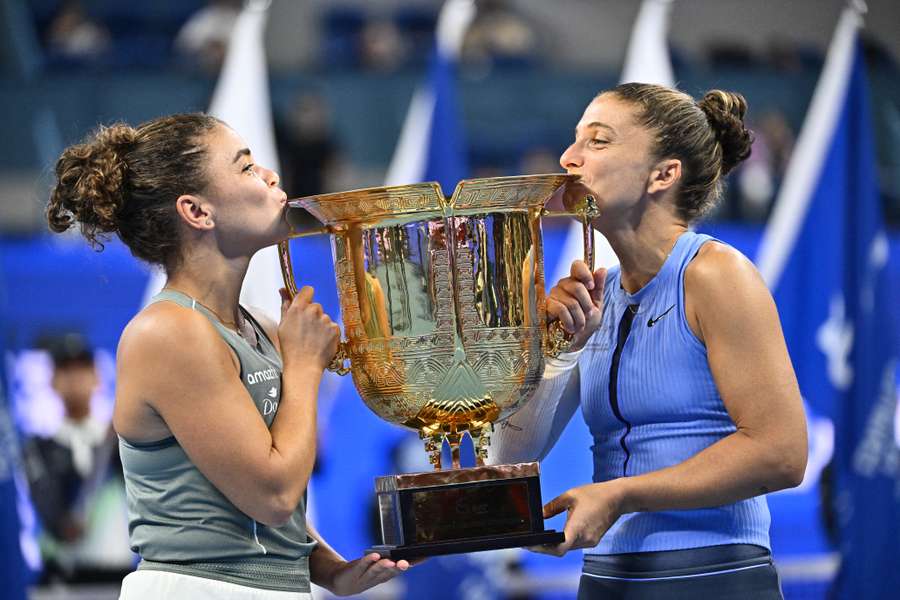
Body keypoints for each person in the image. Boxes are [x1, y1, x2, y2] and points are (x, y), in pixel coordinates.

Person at [46, 114, 410, 598]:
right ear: (197, 211)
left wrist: (329, 570)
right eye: (246, 168)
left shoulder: (256, 325)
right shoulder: (168, 332)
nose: (271, 176)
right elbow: (274, 494)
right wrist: (303, 366)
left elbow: (242, 492)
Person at [487, 84, 808, 598]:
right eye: (575, 140)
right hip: (606, 580)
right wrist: (558, 350)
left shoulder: (718, 275)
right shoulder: (596, 295)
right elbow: (505, 462)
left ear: (664, 174)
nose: (569, 158)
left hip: (713, 577)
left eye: (599, 141)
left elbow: (782, 453)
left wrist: (619, 495)